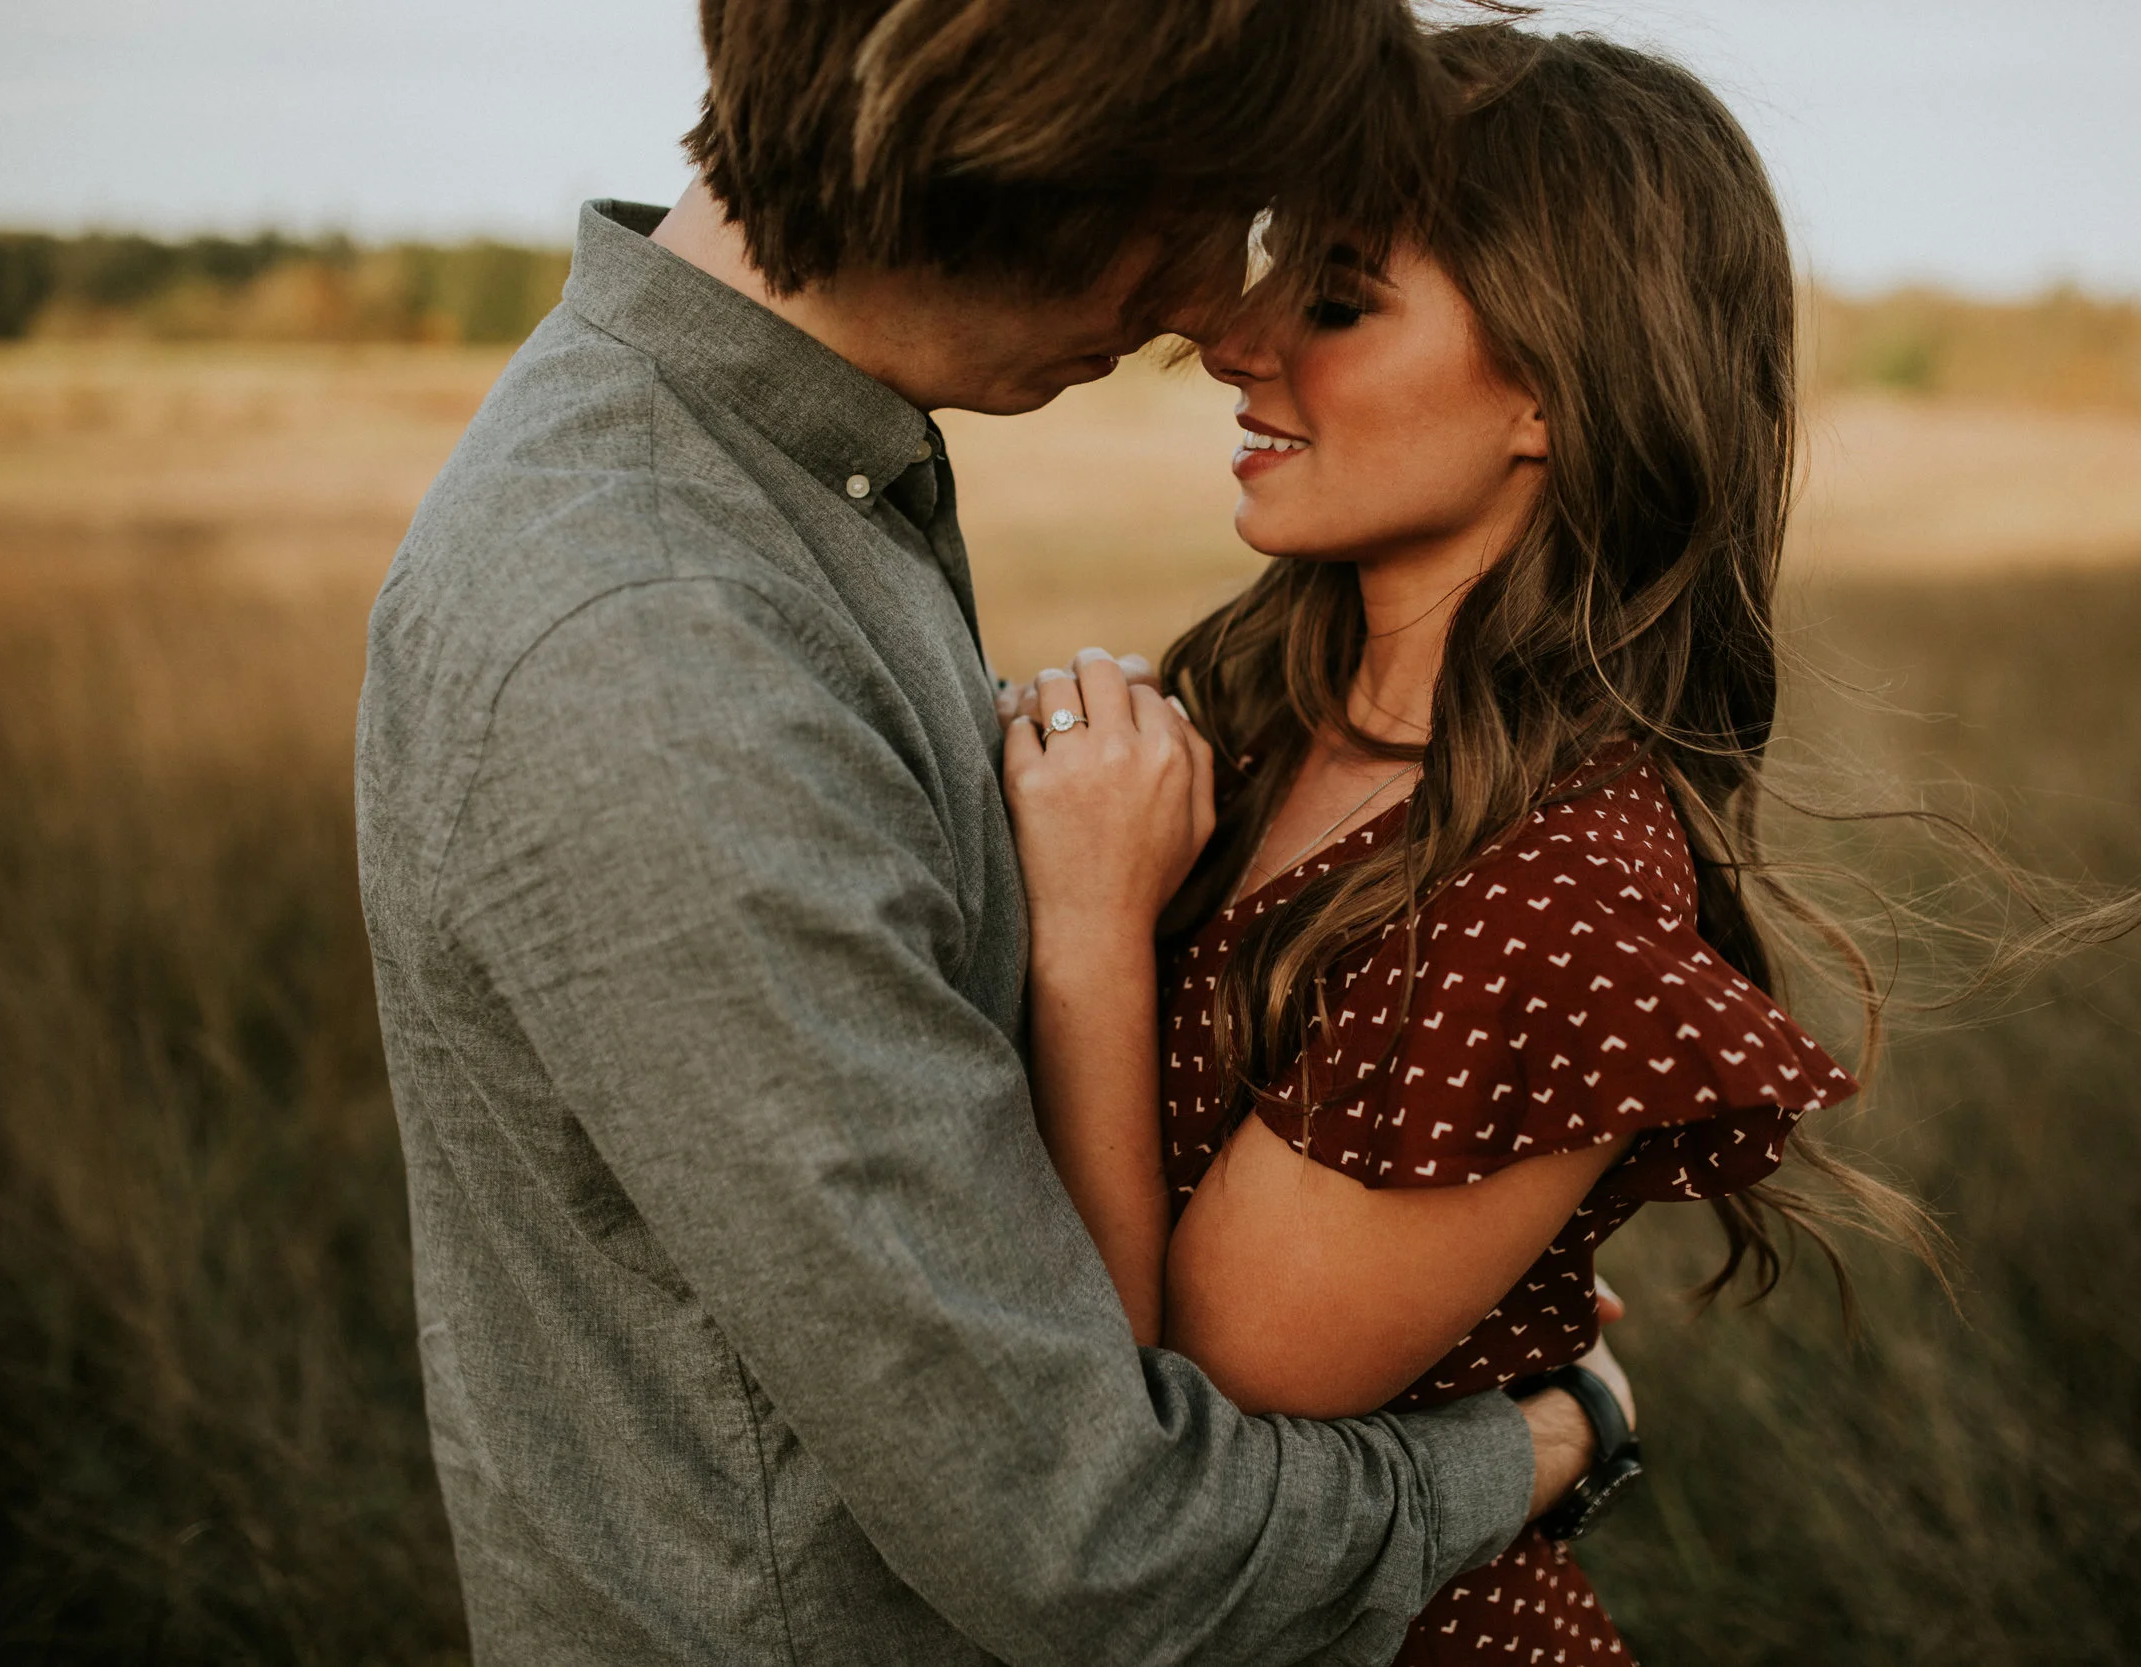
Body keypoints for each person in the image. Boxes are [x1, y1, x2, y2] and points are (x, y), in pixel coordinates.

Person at [354, 4, 1623, 1664]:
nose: (1204, 315)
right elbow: (1089, 1545)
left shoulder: (777, 484)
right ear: (1008, 157)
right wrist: (1538, 1438)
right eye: (1188, 222)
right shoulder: (659, 648)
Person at [1005, 27, 1891, 1665]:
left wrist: (1085, 934)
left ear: (1557, 388)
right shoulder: (1251, 713)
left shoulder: (1553, 907)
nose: (1238, 340)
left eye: (1338, 299)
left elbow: (1160, 1437)